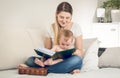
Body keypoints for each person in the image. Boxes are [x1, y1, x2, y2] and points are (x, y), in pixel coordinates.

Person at [19, 1, 83, 74]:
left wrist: (75, 52)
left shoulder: (76, 27)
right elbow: (47, 50)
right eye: (61, 17)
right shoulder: (50, 28)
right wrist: (49, 55)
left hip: (67, 60)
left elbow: (80, 51)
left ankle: (40, 69)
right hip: (52, 60)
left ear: (71, 17)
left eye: (67, 18)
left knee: (77, 60)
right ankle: (64, 69)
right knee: (30, 60)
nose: (64, 21)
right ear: (56, 15)